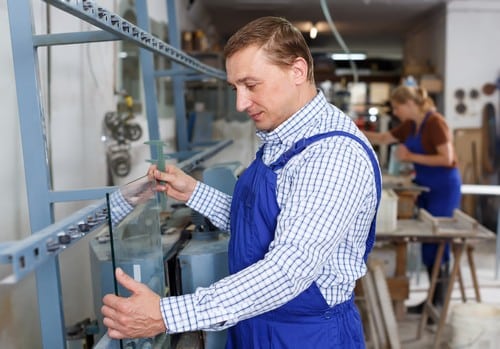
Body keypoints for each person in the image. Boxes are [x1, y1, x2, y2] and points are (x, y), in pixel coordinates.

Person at [102, 16, 381, 348]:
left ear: (298, 71)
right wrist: (192, 191)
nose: (240, 103)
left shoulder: (332, 155)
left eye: (251, 85)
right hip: (256, 324)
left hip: (305, 335)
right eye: (235, 88)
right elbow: (260, 223)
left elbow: (286, 272)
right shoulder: (281, 138)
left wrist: (166, 314)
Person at [363, 85, 461, 311]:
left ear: (410, 104)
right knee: (427, 242)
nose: (395, 112)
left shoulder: (435, 123)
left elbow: (447, 159)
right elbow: (385, 138)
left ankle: (438, 301)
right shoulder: (411, 125)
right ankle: (432, 299)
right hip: (425, 186)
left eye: (397, 107)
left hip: (443, 187)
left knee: (437, 242)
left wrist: (410, 156)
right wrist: (350, 130)